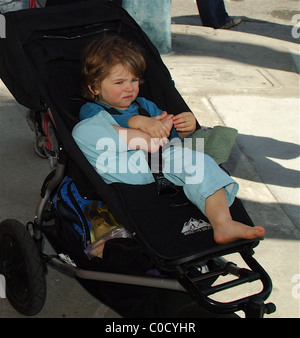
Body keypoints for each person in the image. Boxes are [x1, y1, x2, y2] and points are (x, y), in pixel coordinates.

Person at [72, 34, 264, 245]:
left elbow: (172, 142)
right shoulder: (92, 110)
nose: (129, 88)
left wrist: (185, 129)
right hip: (119, 165)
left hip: (157, 164)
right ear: (95, 88)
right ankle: (141, 139)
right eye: (119, 82)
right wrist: (138, 122)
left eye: (134, 80)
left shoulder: (147, 106)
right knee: (82, 131)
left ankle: (223, 222)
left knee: (198, 162)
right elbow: (94, 134)